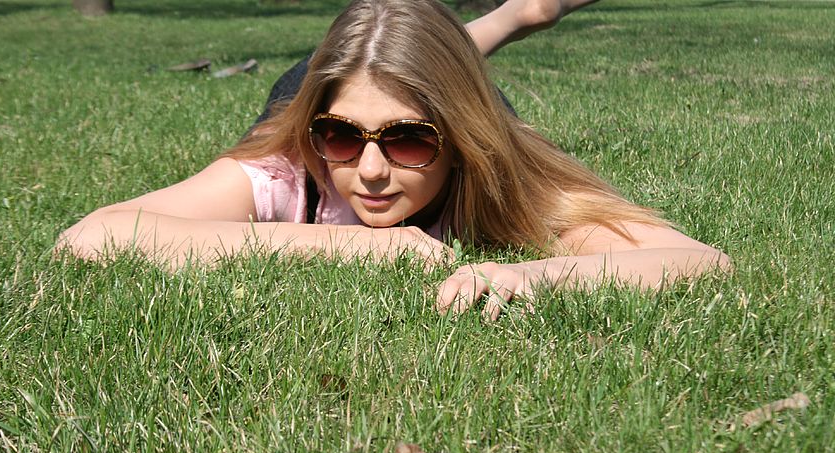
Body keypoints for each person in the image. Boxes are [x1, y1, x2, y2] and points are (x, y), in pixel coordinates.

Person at [57, 0, 730, 321]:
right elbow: (89, 237)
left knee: (428, 66)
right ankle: (503, 21)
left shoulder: (492, 174)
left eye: (410, 140)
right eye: (344, 139)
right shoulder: (295, 163)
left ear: (458, 138)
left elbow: (703, 261)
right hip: (308, 86)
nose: (371, 171)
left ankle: (507, 20)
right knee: (371, 65)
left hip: (455, 96)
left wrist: (535, 276)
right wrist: (356, 249)